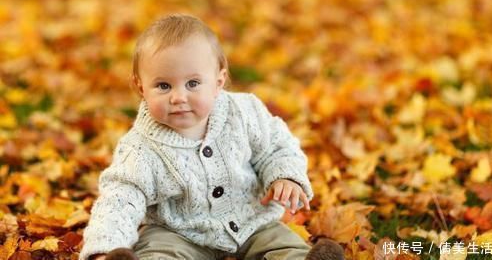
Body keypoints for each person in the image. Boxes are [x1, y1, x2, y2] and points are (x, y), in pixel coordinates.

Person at [80, 13, 344, 260]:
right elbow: (120, 199)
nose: (179, 97)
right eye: (163, 85)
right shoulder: (140, 148)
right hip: (179, 232)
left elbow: (276, 147)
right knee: (159, 252)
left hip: (250, 222)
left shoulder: (243, 112)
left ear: (218, 81)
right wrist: (105, 248)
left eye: (193, 83)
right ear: (141, 87)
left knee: (282, 246)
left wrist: (284, 175)